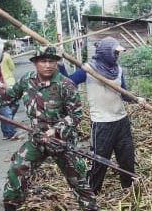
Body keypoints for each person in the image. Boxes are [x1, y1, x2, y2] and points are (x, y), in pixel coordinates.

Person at [0, 46, 102, 211]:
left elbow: (76, 115)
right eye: (43, 61)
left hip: (61, 142)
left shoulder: (65, 84)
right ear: (36, 63)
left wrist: (56, 130)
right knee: (17, 169)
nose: (48, 65)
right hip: (36, 140)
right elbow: (7, 95)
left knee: (78, 178)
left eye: (51, 61)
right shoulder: (27, 80)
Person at [60, 37, 146, 193]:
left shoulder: (118, 70)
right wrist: (60, 63)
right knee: (99, 162)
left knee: (127, 159)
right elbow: (67, 82)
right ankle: (91, 194)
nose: (117, 56)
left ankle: (129, 189)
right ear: (106, 52)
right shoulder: (88, 69)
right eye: (115, 53)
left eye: (118, 53)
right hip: (101, 123)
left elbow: (124, 95)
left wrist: (137, 99)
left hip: (121, 121)